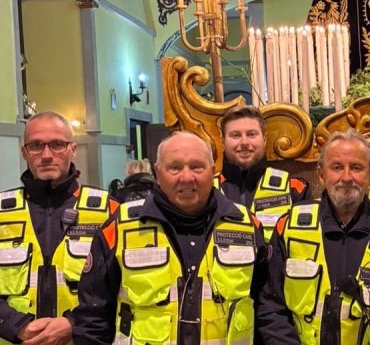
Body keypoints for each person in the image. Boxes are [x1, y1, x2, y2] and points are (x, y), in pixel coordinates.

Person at [72, 131, 269, 344]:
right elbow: (93, 319)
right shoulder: (119, 227)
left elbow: (267, 310)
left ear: (213, 170)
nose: (187, 177)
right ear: (157, 173)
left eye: (197, 167)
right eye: (174, 168)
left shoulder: (247, 226)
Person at [259, 129, 370, 344]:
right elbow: (270, 306)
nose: (346, 177)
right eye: (337, 167)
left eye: (356, 168)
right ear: (321, 175)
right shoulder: (288, 226)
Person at [0, 111, 113, 344]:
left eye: (57, 145)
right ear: (24, 153)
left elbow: (125, 289)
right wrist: (17, 326)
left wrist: (73, 323)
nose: (47, 155)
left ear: (73, 149)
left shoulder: (109, 211)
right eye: (36, 146)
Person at [216, 105, 310, 240]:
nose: (244, 142)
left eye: (251, 134)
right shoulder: (207, 191)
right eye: (235, 135)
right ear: (223, 140)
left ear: (264, 139)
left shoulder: (295, 189)